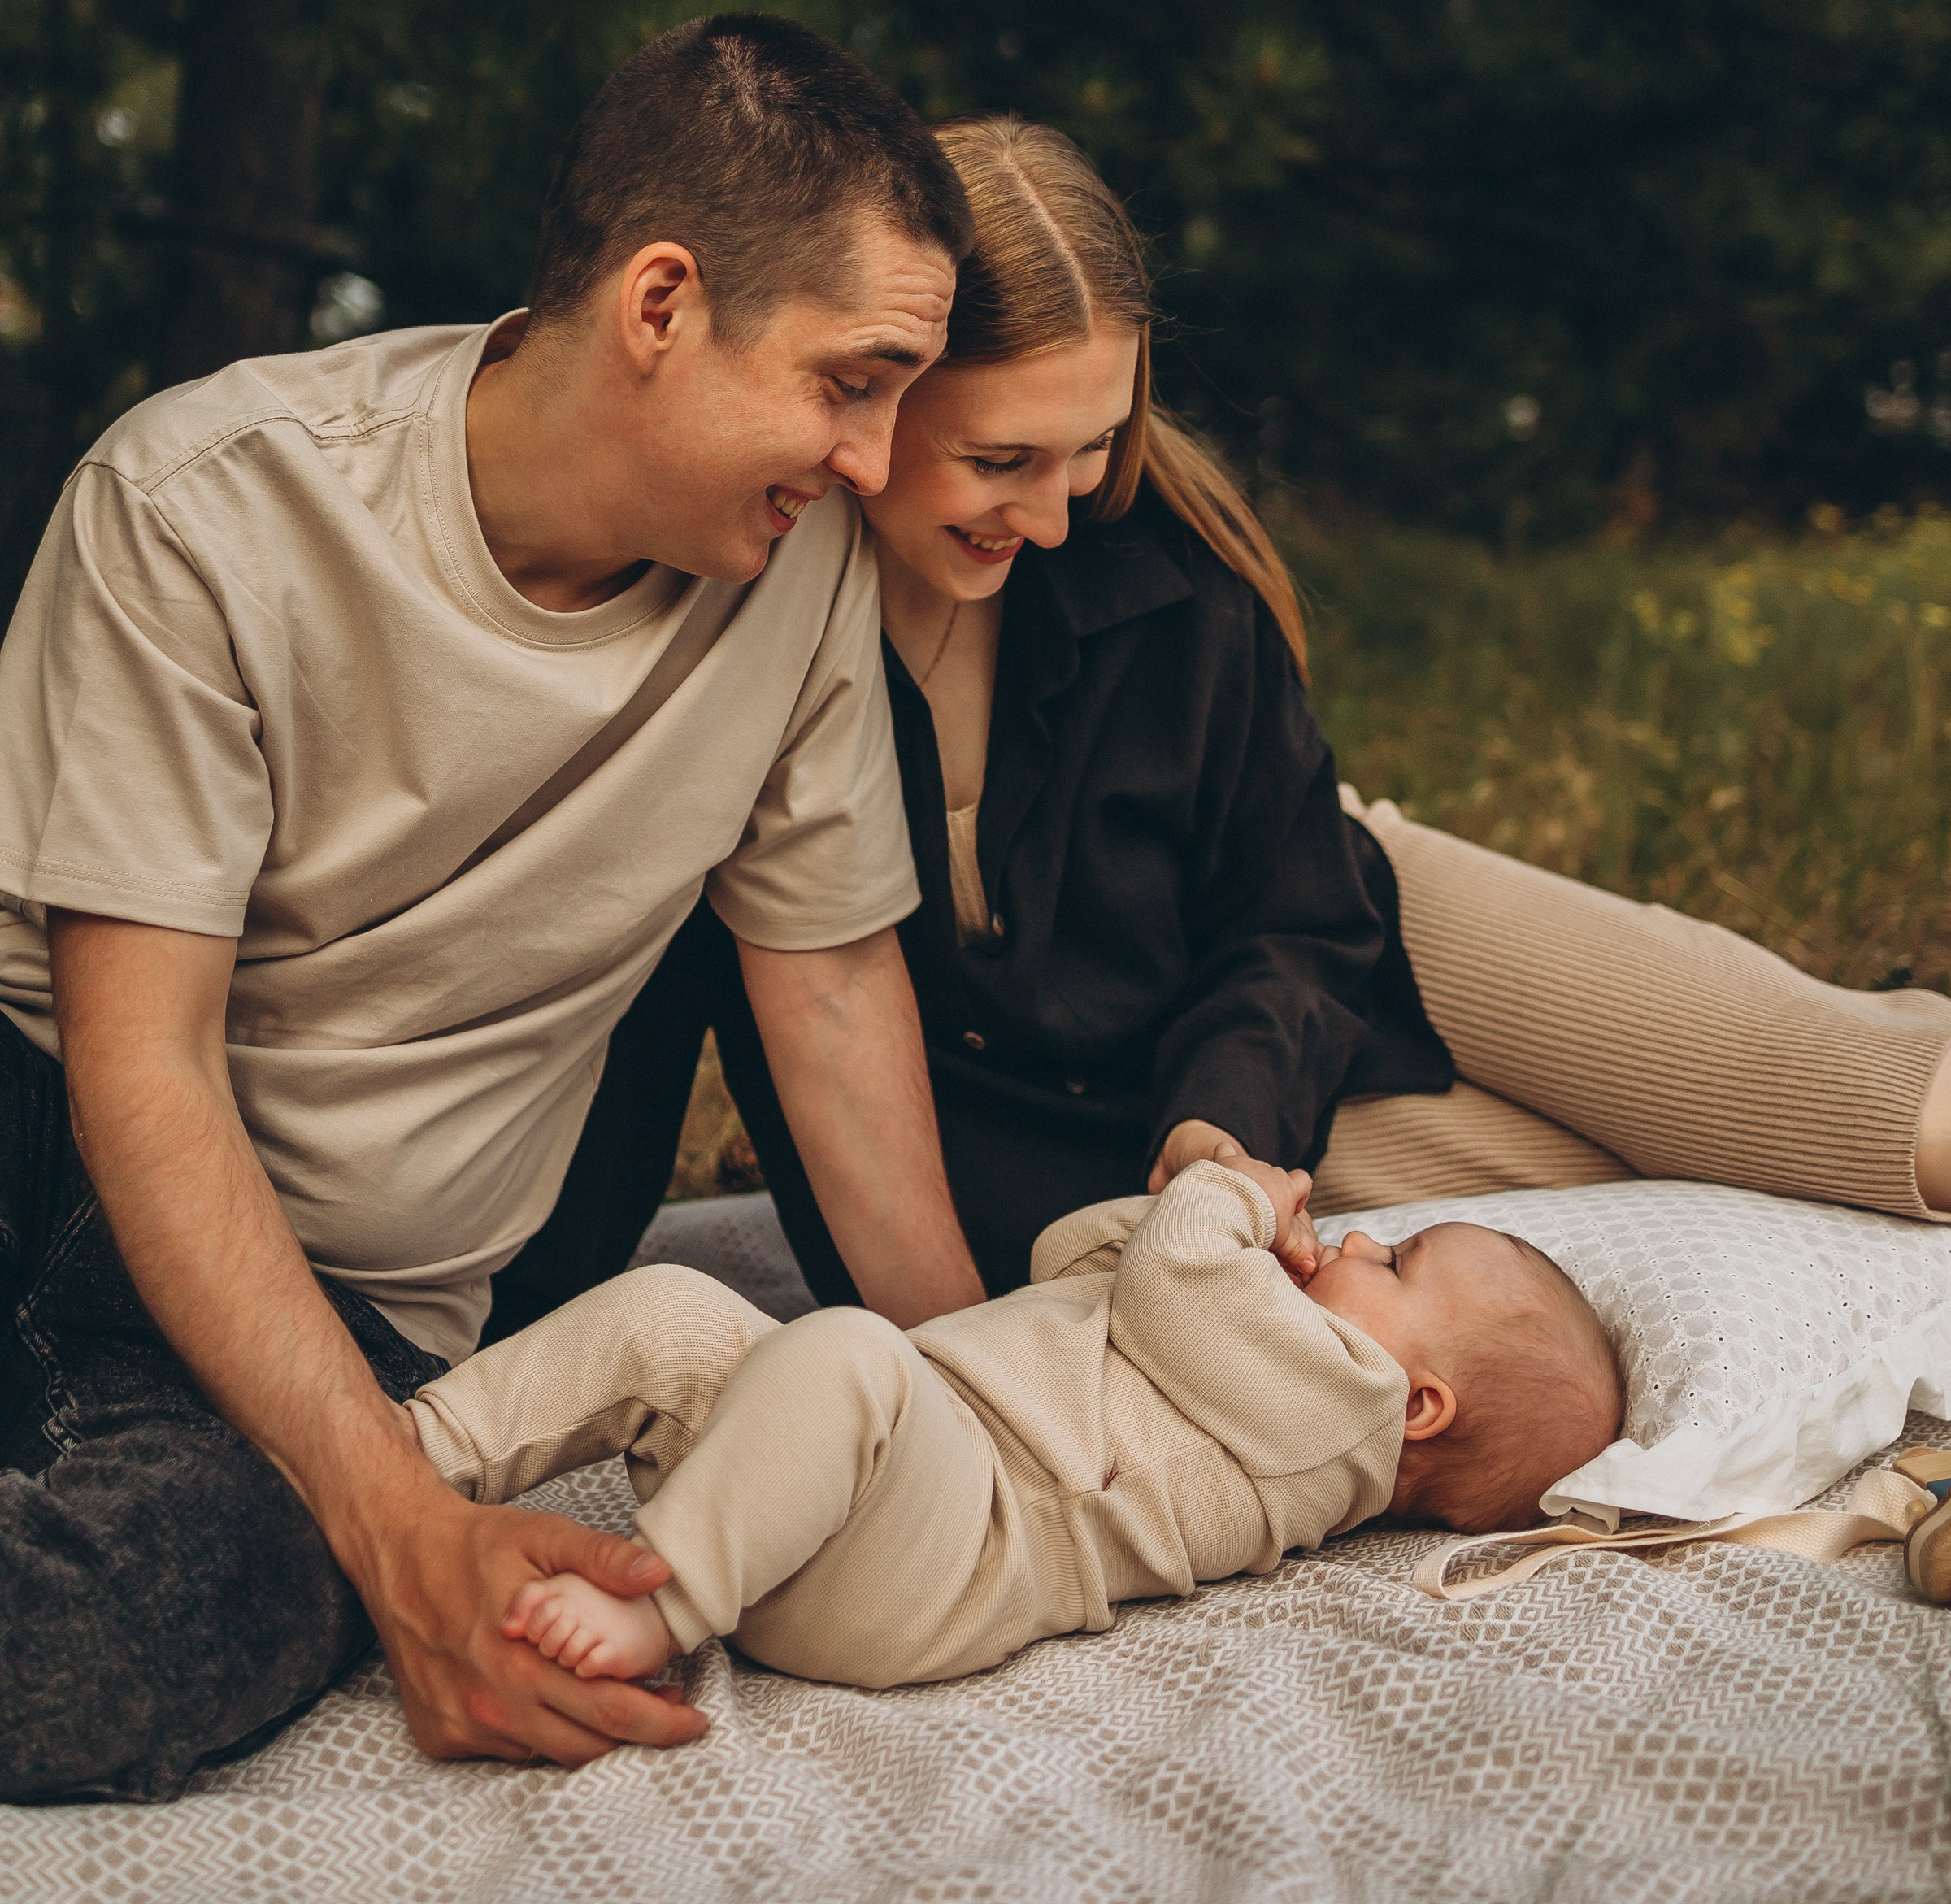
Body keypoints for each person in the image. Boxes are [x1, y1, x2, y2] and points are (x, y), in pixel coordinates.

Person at [0, 15, 993, 1804]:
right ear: (664, 302)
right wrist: (396, 1528)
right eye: (855, 381)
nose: (877, 459)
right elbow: (137, 1066)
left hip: (340, 1303)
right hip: (46, 1128)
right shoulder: (204, 506)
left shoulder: (802, 585)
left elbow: (834, 999)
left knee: (110, 1658)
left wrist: (987, 1415)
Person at [500, 112, 1951, 1331]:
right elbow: (648, 998)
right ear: (871, 392)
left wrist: (1228, 1112)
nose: (1057, 516)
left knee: (1867, 1097)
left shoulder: (1157, 562)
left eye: (1093, 447)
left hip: (1321, 942)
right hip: (1092, 1148)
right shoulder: (738, 613)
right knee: (1679, 1194)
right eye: (1000, 459)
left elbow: (1296, 904)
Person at [407, 1154, 1622, 1706]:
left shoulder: (1336, 1423)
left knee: (849, 1352)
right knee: (674, 1314)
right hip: (879, 1472)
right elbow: (1075, 1266)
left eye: (1395, 1261)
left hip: (944, 1556)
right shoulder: (1258, 1346)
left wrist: (1230, 1200)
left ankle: (654, 1606)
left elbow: (1172, 1284)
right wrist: (1170, 1204)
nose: (1358, 1241)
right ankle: (417, 1448)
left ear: (1420, 1406)